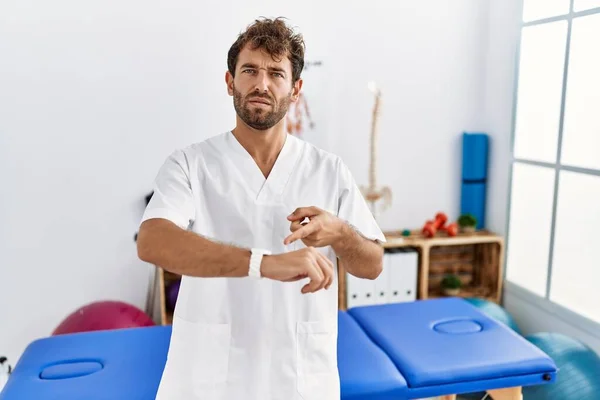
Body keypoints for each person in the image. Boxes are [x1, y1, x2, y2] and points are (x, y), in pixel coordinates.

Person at [136, 17, 385, 400]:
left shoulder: (329, 170)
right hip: (209, 379)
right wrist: (263, 263)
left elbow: (372, 264)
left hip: (299, 379)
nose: (261, 84)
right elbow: (152, 241)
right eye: (249, 70)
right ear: (229, 81)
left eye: (276, 73)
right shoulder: (190, 164)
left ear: (296, 89)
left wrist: (339, 233)